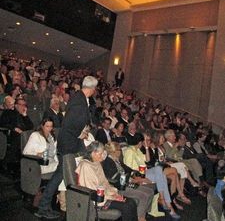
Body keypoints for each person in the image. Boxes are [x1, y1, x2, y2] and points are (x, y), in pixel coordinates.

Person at [35, 76, 98, 219]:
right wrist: (80, 134)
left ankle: (69, 205)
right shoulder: (79, 101)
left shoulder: (80, 98)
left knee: (72, 171)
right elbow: (69, 123)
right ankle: (45, 206)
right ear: (92, 89)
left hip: (72, 143)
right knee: (61, 175)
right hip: (70, 143)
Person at [76, 141, 138, 221]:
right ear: (94, 153)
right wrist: (111, 197)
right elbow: (92, 189)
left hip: (106, 195)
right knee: (126, 206)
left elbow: (105, 182)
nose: (102, 157)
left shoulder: (97, 163)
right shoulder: (85, 166)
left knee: (131, 202)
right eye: (101, 154)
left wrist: (114, 194)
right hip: (98, 200)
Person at [123, 133, 180, 219]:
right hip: (137, 175)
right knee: (162, 176)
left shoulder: (137, 150)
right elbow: (128, 169)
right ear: (140, 142)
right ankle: (169, 206)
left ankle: (162, 198)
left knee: (158, 170)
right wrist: (138, 177)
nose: (147, 142)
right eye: (145, 141)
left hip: (144, 171)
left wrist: (146, 148)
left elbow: (148, 160)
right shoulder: (129, 151)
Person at [102, 142, 154, 221]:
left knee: (150, 191)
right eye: (119, 150)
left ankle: (142, 215)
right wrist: (132, 180)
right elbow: (116, 178)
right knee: (143, 196)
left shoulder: (117, 160)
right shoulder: (108, 162)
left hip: (127, 183)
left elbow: (127, 169)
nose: (121, 152)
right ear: (114, 152)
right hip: (119, 188)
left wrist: (135, 174)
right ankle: (139, 218)